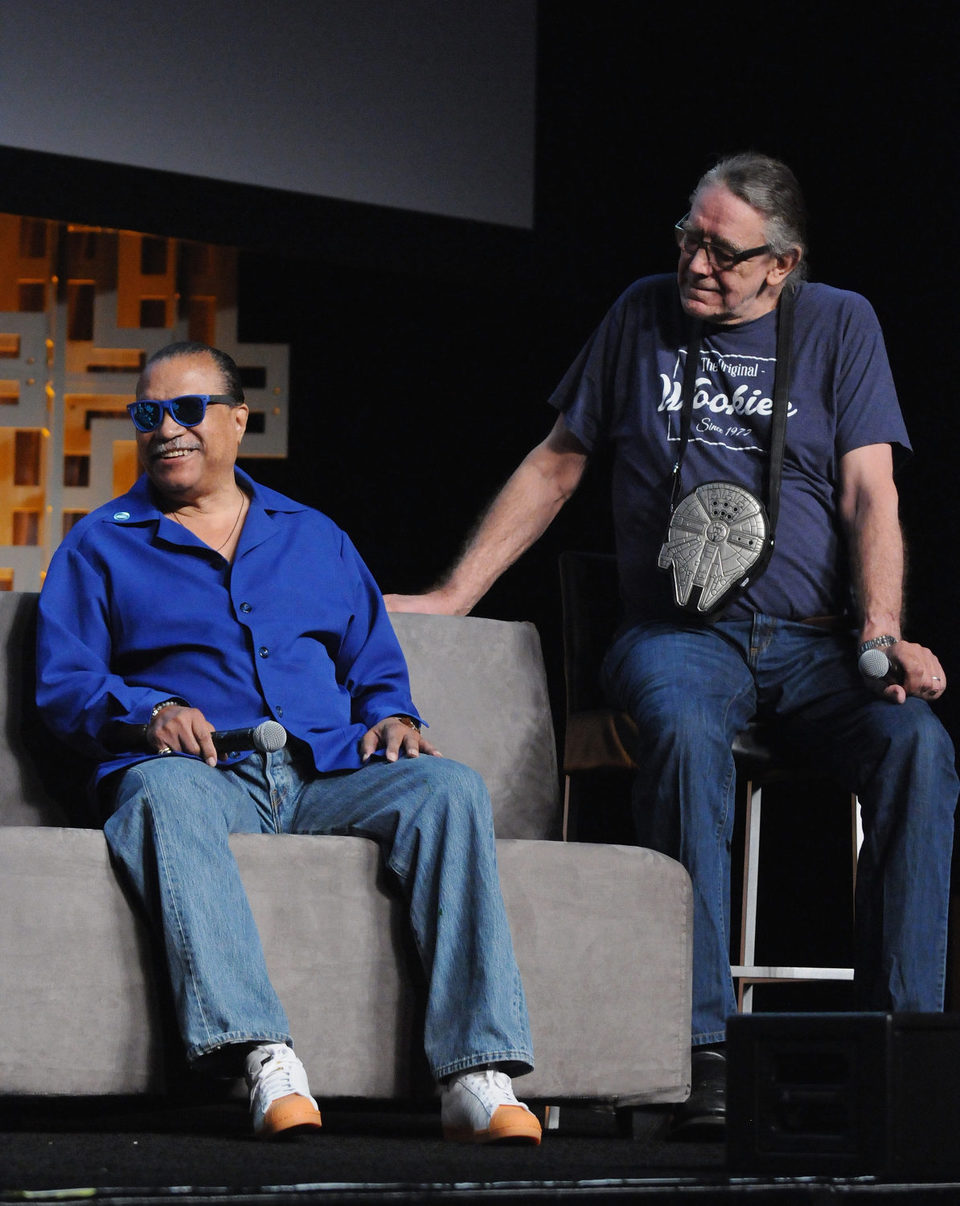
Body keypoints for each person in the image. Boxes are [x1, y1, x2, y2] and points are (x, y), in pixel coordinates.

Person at [386, 152, 959, 1134]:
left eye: (722, 253)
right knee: (687, 740)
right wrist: (451, 594)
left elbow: (872, 492)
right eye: (687, 237)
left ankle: (896, 1052)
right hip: (677, 638)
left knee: (919, 749)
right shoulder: (640, 314)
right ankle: (699, 1052)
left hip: (819, 647)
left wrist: (884, 632)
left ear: (783, 264)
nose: (696, 263)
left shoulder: (839, 326)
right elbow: (557, 467)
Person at [36, 341, 542, 1146]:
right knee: (158, 793)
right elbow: (64, 684)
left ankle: (476, 1073)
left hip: (323, 770)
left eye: (188, 409)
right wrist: (147, 709)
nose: (167, 428)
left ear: (238, 420)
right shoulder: (102, 542)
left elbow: (374, 663)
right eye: (149, 413)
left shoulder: (314, 536)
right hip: (203, 772)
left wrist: (394, 716)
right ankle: (264, 1059)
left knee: (447, 787)